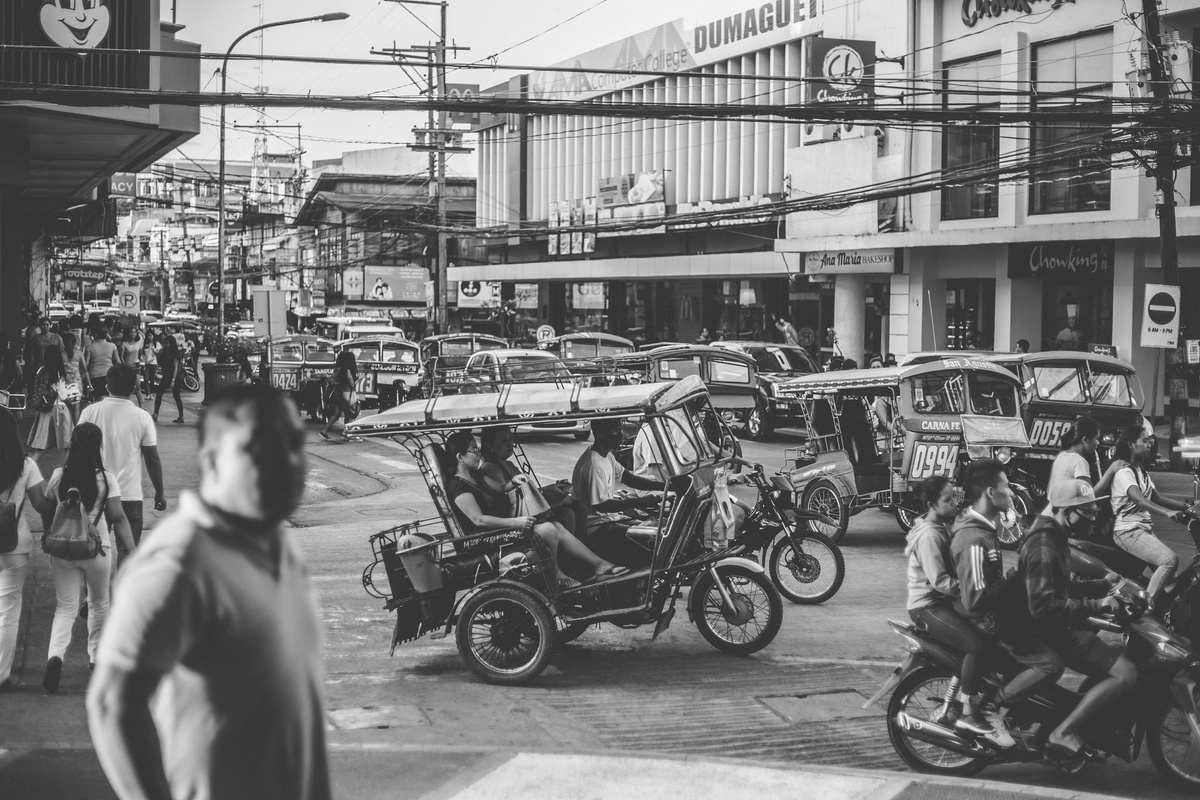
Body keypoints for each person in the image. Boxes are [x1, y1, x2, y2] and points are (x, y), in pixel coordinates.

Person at [88, 383, 331, 800]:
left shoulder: (280, 544)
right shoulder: (179, 559)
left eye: (295, 444)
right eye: (262, 448)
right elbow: (113, 703)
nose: (289, 462)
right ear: (212, 459)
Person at [1014, 479, 1135, 758]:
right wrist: (1097, 604)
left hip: (1056, 624)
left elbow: (1063, 589)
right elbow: (1044, 606)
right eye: (1086, 512)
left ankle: (1086, 723)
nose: (1092, 518)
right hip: (1048, 629)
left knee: (1113, 656)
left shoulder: (1056, 538)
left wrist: (1103, 585)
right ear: (1064, 512)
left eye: (1093, 512)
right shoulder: (1044, 545)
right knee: (1126, 673)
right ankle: (1064, 732)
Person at [951, 460, 1064, 729]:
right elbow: (975, 599)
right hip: (988, 624)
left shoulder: (986, 531)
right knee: (1052, 665)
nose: (1012, 494)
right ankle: (992, 706)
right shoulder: (973, 540)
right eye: (1006, 487)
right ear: (991, 493)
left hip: (996, 617)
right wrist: (1012, 581)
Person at [906, 476, 1013, 747]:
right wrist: (974, 588)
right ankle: (968, 712)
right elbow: (940, 581)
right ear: (932, 505)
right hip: (926, 607)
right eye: (947, 500)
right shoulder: (930, 535)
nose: (955, 503)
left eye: (955, 496)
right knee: (975, 645)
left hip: (942, 602)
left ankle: (961, 702)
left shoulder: (942, 526)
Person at [444, 431, 624, 587]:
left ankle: (598, 564)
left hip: (500, 528)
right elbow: (478, 520)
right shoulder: (458, 487)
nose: (478, 453)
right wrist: (515, 522)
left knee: (556, 526)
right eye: (474, 450)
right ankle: (554, 575)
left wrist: (508, 478)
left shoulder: (476, 475)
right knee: (547, 529)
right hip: (484, 538)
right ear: (460, 457)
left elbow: (501, 487)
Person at [42, 423, 136, 693]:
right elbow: (118, 517)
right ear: (98, 446)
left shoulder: (60, 475)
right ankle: (96, 658)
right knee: (98, 603)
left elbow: (49, 507)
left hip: (63, 550)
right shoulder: (106, 479)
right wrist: (132, 549)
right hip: (97, 549)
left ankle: (55, 657)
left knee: (65, 608)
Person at [79, 365, 166, 547]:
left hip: (94, 492)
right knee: (128, 551)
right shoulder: (142, 417)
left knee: (90, 548)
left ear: (107, 385)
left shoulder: (90, 412)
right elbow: (152, 459)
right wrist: (159, 492)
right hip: (129, 496)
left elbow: (78, 451)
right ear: (134, 388)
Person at [1108, 425, 1193, 606]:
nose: (1149, 445)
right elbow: (1139, 500)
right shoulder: (1125, 472)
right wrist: (1167, 513)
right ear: (1131, 444)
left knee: (1173, 582)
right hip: (1128, 531)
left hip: (1141, 531)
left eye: (1150, 441)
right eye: (1145, 441)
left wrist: (1188, 507)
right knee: (1170, 560)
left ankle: (1162, 615)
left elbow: (1158, 498)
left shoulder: (1141, 472)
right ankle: (1143, 609)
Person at [0, 407, 52, 690]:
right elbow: (42, 504)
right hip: (14, 545)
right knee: (7, 611)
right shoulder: (26, 466)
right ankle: (1, 673)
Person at [572, 418, 664, 568]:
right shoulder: (592, 465)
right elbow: (603, 506)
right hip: (597, 530)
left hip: (611, 521)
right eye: (615, 430)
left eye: (620, 429)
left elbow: (629, 479)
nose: (620, 435)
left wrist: (663, 486)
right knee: (648, 550)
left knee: (657, 533)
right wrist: (640, 501)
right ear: (600, 434)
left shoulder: (607, 456)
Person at [479, 426, 586, 540]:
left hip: (527, 509)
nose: (510, 443)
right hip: (515, 516)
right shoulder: (490, 468)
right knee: (566, 514)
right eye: (503, 440)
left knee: (577, 506)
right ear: (490, 445)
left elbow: (529, 491)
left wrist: (552, 488)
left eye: (510, 438)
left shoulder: (510, 465)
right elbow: (509, 496)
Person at [1044, 417, 1125, 514]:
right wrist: (1110, 471)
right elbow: (1090, 496)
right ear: (1085, 439)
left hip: (1051, 511)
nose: (1098, 443)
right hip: (1066, 516)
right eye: (1096, 438)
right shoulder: (1079, 462)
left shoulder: (1061, 455)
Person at [27, 345, 74, 468]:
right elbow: (63, 395)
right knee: (68, 443)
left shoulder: (41, 370)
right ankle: (67, 472)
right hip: (59, 410)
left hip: (45, 410)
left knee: (42, 447)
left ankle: (27, 469)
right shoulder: (58, 372)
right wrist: (71, 404)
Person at [320, 350, 358, 441]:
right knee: (349, 414)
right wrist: (359, 379)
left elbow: (333, 381)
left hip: (338, 394)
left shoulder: (338, 369)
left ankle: (324, 431)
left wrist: (339, 383)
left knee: (336, 414)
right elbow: (352, 384)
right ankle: (346, 433)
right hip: (345, 394)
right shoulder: (348, 370)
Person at [152, 334, 185, 424]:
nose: (166, 345)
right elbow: (160, 364)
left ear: (172, 344)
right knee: (159, 393)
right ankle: (155, 414)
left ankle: (181, 416)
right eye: (165, 343)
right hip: (166, 375)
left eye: (168, 343)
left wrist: (173, 380)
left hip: (174, 377)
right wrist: (158, 354)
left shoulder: (175, 354)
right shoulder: (164, 352)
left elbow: (175, 368)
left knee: (176, 395)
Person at [61, 332, 90, 423]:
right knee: (76, 407)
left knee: (66, 406)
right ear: (74, 342)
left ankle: (68, 428)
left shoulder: (61, 354)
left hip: (64, 383)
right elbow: (85, 370)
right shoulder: (79, 354)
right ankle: (76, 427)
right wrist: (89, 383)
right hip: (77, 383)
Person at [85, 326, 120, 399]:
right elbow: (118, 362)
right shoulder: (112, 346)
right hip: (109, 375)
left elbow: (86, 365)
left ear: (95, 334)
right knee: (109, 397)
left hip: (94, 376)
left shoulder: (89, 347)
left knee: (98, 399)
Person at [119, 327, 145, 407]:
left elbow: (141, 354)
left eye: (134, 332)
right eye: (131, 332)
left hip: (136, 367)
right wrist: (124, 365)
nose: (133, 334)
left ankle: (141, 406)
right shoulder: (124, 343)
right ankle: (127, 405)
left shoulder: (138, 343)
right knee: (128, 387)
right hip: (127, 368)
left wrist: (141, 361)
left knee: (138, 387)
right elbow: (121, 356)